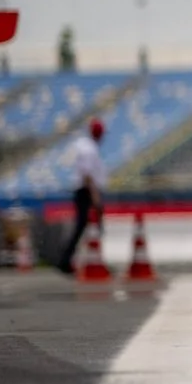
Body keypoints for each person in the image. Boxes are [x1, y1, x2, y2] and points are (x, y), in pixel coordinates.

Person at [55, 117, 104, 273]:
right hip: (85, 191)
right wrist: (95, 196)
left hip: (84, 190)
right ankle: (68, 260)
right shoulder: (89, 149)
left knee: (82, 225)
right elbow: (87, 174)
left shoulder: (85, 146)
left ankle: (70, 259)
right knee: (83, 225)